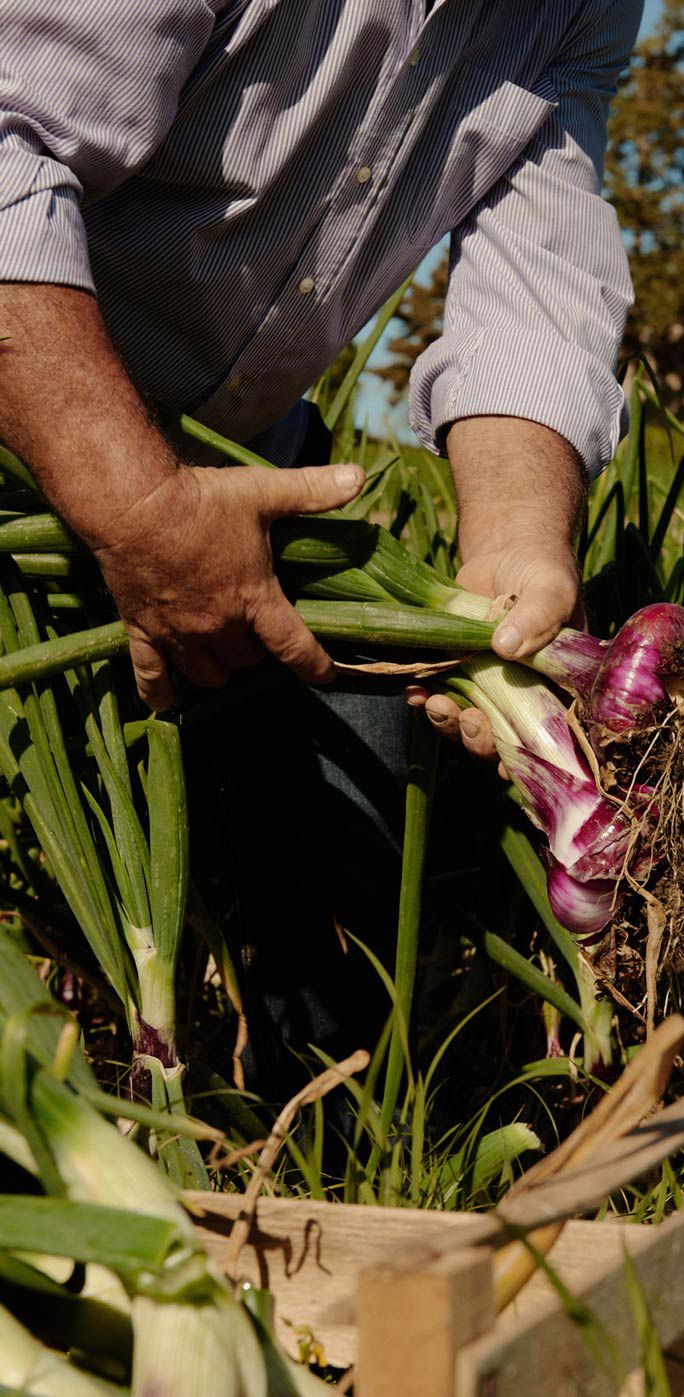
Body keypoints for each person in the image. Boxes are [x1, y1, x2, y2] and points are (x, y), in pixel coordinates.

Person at [0, 1, 641, 1095]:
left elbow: (537, 275)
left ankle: (310, 1147)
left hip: (239, 466)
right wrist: (136, 500)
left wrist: (517, 551)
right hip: (41, 401)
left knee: (345, 854)